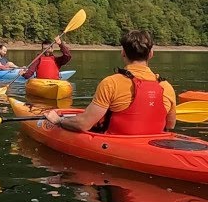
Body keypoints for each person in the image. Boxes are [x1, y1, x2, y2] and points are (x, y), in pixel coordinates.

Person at [46, 30, 175, 135]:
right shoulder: (166, 86)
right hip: (152, 143)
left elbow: (83, 124)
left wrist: (59, 120)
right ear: (151, 54)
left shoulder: (111, 83)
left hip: (118, 145)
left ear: (123, 53)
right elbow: (170, 125)